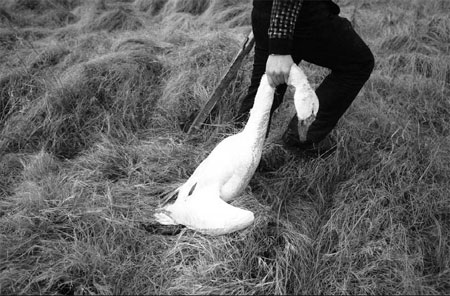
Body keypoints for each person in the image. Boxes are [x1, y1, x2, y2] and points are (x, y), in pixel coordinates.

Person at [236, 0, 375, 157]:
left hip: (267, 11)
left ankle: (233, 154)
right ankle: (302, 137)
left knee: (265, 89)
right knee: (358, 63)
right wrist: (279, 48)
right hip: (301, 16)